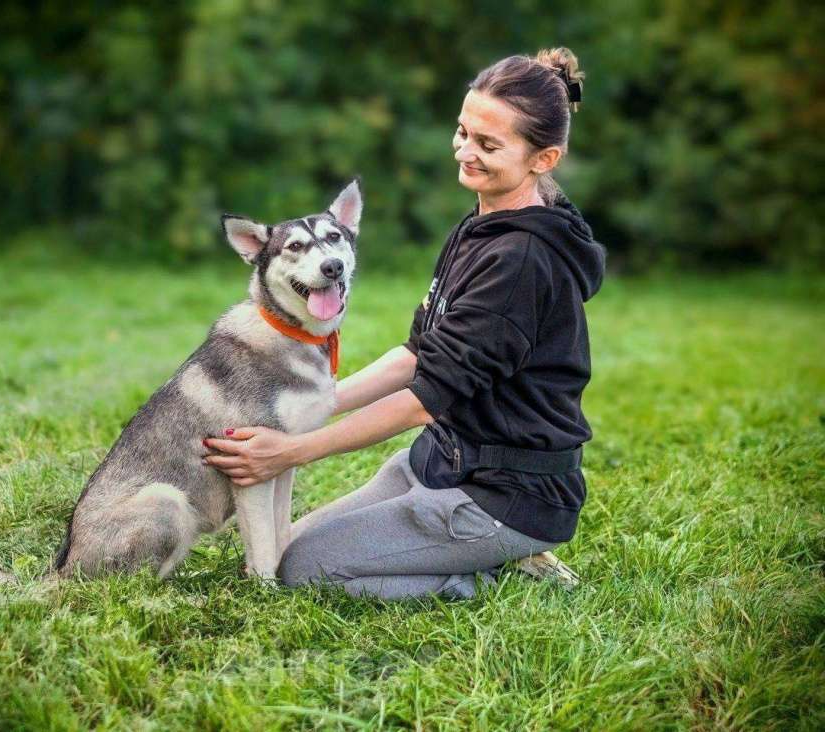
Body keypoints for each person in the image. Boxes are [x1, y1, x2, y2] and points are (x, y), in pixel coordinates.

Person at [203, 48, 606, 600]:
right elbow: (420, 352)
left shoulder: (521, 261)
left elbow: (424, 397)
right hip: (442, 462)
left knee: (306, 573)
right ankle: (476, 548)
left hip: (505, 494)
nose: (465, 151)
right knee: (291, 549)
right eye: (463, 132)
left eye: (489, 145)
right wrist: (320, 403)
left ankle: (490, 570)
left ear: (544, 159)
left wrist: (291, 450)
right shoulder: (481, 225)